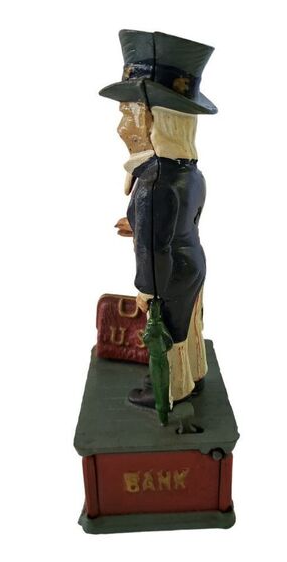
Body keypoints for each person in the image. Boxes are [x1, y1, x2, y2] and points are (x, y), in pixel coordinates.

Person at [100, 29, 217, 407]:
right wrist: (139, 223)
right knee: (187, 327)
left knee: (164, 334)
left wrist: (147, 290)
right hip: (190, 264)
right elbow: (179, 221)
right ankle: (193, 375)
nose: (121, 127)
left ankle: (168, 389)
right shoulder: (186, 170)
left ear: (154, 122)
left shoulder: (154, 182)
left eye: (127, 114)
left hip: (166, 274)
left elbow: (155, 249)